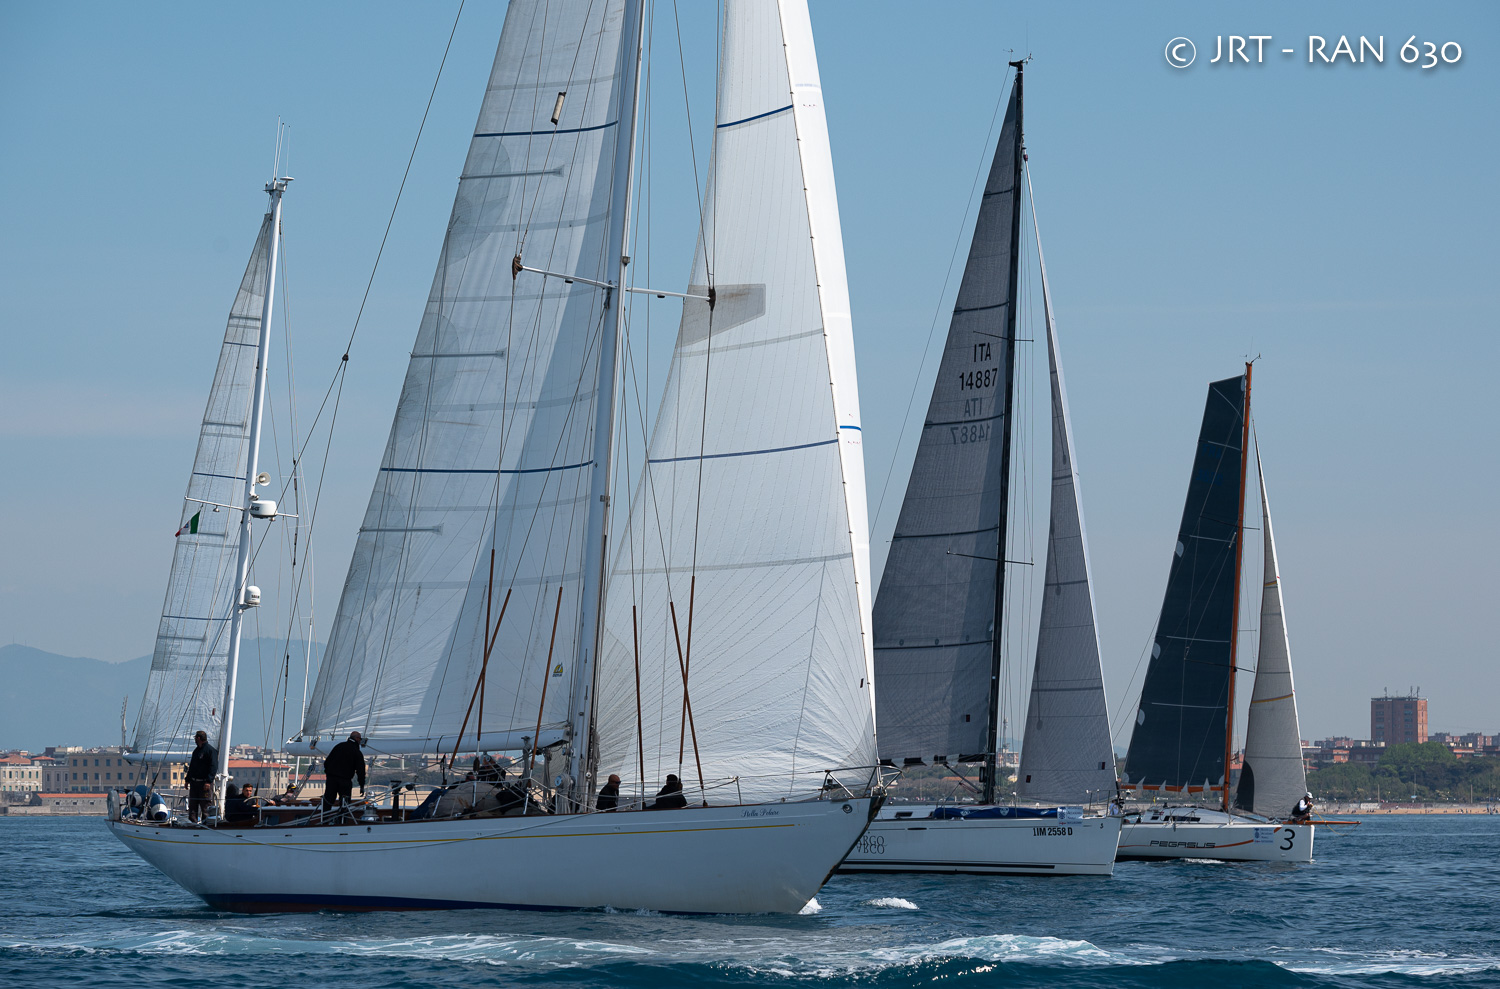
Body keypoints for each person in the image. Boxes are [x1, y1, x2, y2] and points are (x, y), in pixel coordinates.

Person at [322, 731, 368, 812]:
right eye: (360, 739)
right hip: (345, 780)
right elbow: (360, 770)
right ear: (357, 738)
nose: (360, 741)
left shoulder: (339, 746)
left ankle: (324, 820)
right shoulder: (356, 752)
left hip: (331, 779)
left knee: (328, 801)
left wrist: (328, 773)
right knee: (344, 803)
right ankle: (342, 821)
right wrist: (362, 785)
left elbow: (327, 762)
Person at [185, 730, 217, 823]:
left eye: (195, 737)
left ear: (198, 738)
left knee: (205, 806)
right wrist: (187, 779)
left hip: (204, 783)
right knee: (192, 806)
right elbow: (192, 766)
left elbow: (213, 767)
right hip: (194, 783)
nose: (195, 739)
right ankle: (192, 824)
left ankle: (206, 824)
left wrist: (208, 781)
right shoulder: (196, 751)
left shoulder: (210, 751)